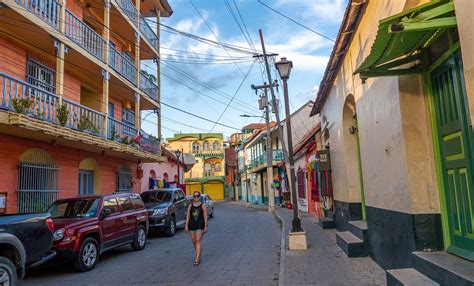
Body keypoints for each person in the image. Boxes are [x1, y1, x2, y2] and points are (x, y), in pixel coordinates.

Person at [185, 191, 208, 266]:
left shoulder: (203, 205)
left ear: (200, 196)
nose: (196, 197)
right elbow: (188, 215)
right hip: (192, 225)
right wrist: (186, 225)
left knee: (198, 240)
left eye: (197, 196)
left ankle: (197, 258)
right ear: (193, 197)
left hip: (200, 225)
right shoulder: (190, 205)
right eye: (194, 196)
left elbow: (205, 216)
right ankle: (199, 253)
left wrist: (206, 226)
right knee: (194, 242)